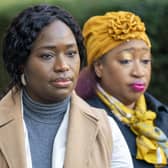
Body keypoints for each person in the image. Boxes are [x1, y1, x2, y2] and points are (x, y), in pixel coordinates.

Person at [0, 4, 133, 168]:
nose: (63, 66)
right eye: (47, 56)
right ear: (21, 63)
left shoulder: (106, 129)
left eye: (71, 54)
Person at [76, 11, 168, 168]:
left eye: (145, 61)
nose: (139, 72)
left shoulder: (162, 115)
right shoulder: (84, 121)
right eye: (126, 61)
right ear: (99, 67)